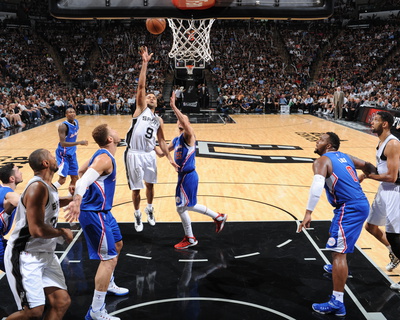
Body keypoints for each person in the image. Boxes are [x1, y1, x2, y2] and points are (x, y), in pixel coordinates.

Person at [297, 132, 372, 316]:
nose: (317, 141)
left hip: (349, 207)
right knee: (340, 243)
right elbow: (369, 166)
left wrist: (308, 213)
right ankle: (337, 268)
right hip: (360, 203)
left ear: (329, 146)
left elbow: (316, 186)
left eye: (321, 139)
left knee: (338, 253)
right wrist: (364, 176)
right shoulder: (345, 156)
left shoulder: (322, 160)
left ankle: (337, 302)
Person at [65, 124, 128, 320]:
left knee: (117, 244)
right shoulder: (104, 158)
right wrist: (77, 199)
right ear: (110, 139)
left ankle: (108, 283)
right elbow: (83, 182)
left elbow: (80, 171)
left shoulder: (100, 155)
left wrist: (74, 181)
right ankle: (96, 310)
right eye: (113, 130)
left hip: (104, 212)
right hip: (94, 214)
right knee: (108, 259)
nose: (117, 131)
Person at [4, 149, 73, 320]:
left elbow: (54, 202)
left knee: (61, 302)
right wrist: (62, 231)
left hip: (45, 254)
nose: (55, 158)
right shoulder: (37, 188)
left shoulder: (47, 186)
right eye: (51, 156)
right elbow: (37, 230)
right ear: (45, 163)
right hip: (25, 255)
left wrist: (75, 199)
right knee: (33, 312)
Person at [156, 92, 227, 249]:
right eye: (179, 120)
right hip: (183, 177)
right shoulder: (176, 140)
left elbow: (185, 122)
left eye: (183, 119)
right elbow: (162, 153)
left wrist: (173, 106)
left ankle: (193, 235)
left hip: (189, 176)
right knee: (184, 206)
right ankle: (216, 218)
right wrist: (148, 144)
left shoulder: (189, 136)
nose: (181, 120)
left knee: (182, 207)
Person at [124, 46, 178, 233]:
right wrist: (144, 64)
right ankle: (137, 213)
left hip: (148, 154)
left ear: (157, 102)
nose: (151, 97)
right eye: (149, 96)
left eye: (154, 96)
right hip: (134, 154)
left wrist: (169, 158)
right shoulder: (140, 110)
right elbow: (141, 86)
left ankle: (150, 209)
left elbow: (161, 141)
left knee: (150, 185)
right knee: (136, 188)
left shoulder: (159, 120)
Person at [362, 112, 400, 278]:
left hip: (394, 191)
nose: (372, 122)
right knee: (370, 226)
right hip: (384, 189)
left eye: (375, 120)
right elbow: (383, 170)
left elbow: (392, 176)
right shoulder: (381, 142)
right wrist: (366, 173)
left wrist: (368, 176)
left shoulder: (392, 143)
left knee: (394, 235)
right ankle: (395, 253)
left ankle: (396, 250)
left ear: (385, 124)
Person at [54, 107, 88, 195]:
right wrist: (79, 142)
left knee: (75, 178)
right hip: (63, 154)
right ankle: (47, 191)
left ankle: (69, 200)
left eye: (73, 112)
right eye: (69, 112)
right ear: (66, 115)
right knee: (62, 180)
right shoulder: (63, 126)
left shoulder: (76, 123)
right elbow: (63, 143)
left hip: (72, 153)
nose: (72, 113)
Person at [0, 164, 23, 272]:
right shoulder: (7, 193)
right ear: (12, 178)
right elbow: (19, 201)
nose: (21, 172)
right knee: (20, 272)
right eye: (18, 171)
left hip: (1, 239)